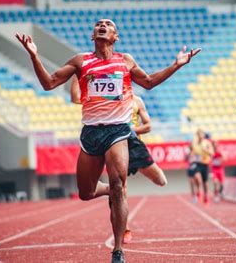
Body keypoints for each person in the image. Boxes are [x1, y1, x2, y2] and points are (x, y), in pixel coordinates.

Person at [16, 19, 200, 263]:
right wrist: (33, 56)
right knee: (85, 192)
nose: (102, 25)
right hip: (91, 132)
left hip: (118, 130)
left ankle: (118, 250)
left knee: (119, 185)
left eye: (108, 24)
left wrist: (176, 65)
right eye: (98, 24)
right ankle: (108, 191)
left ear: (116, 36)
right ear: (93, 35)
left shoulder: (125, 61)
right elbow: (49, 83)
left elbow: (149, 82)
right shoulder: (80, 61)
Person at [70, 76, 167, 243]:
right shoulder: (105, 99)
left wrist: (130, 129)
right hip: (112, 143)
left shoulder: (136, 101)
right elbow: (76, 98)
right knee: (120, 189)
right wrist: (77, 75)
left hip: (134, 144)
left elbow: (148, 125)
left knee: (161, 180)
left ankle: (113, 192)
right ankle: (125, 229)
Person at [188, 129, 213, 205]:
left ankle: (206, 195)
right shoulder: (194, 143)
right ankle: (198, 190)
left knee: (205, 182)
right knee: (196, 176)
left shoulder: (207, 143)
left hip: (205, 163)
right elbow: (191, 149)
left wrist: (206, 150)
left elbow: (212, 153)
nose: (200, 136)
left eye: (201, 134)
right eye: (198, 134)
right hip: (197, 163)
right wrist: (192, 155)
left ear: (203, 135)